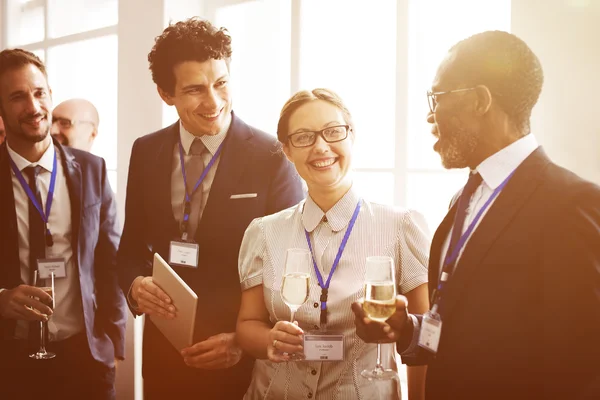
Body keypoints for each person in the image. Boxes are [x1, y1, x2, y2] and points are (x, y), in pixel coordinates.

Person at [352, 30, 600, 400]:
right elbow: (470, 329)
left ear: (480, 100)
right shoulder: (463, 199)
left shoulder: (571, 203)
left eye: (436, 97)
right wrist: (407, 329)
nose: (429, 115)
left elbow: (582, 363)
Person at [117, 18, 304, 399]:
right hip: (164, 358)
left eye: (221, 84)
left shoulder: (271, 156)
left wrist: (243, 339)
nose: (214, 102)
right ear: (165, 94)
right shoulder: (146, 150)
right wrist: (135, 286)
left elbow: (293, 266)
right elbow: (131, 247)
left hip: (240, 364)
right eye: (195, 90)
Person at [236, 88, 430, 400]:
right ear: (286, 149)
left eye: (333, 132)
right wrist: (269, 339)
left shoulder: (402, 226)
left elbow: (423, 343)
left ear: (351, 136)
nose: (321, 147)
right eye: (303, 137)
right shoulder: (263, 232)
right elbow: (247, 325)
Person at [0, 49, 127, 400]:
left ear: (50, 94)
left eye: (39, 93)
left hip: (85, 356)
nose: (33, 106)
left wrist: (114, 343)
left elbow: (111, 259)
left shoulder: (92, 170)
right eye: (17, 97)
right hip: (11, 360)